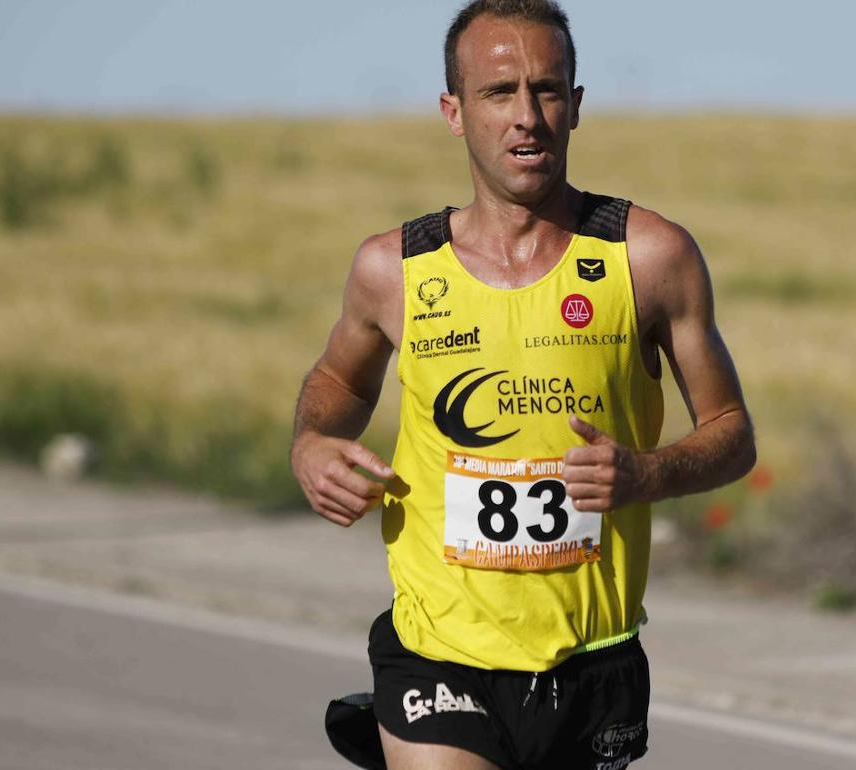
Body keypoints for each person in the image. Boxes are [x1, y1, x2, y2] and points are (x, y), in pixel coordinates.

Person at [290, 1, 755, 768]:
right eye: (499, 92)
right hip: (438, 653)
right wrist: (312, 441)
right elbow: (338, 380)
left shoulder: (649, 257)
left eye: (546, 90)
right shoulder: (393, 270)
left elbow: (733, 433)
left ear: (575, 106)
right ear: (453, 111)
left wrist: (646, 473)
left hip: (591, 660)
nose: (526, 117)